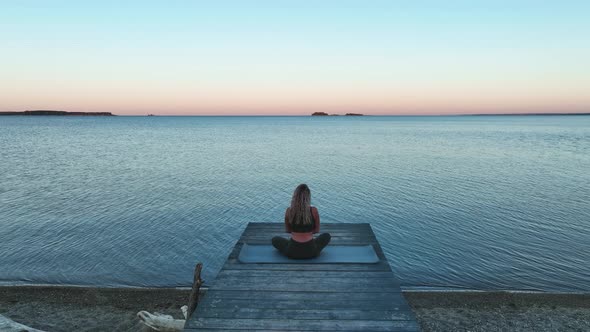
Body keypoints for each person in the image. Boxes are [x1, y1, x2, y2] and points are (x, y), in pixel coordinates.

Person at [271, 184, 331, 259]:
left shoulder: (289, 211)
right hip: (312, 251)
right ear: (308, 197)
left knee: (275, 239)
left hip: (292, 251)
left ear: (295, 197)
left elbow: (288, 230)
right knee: (326, 236)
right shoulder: (314, 210)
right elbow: (316, 230)